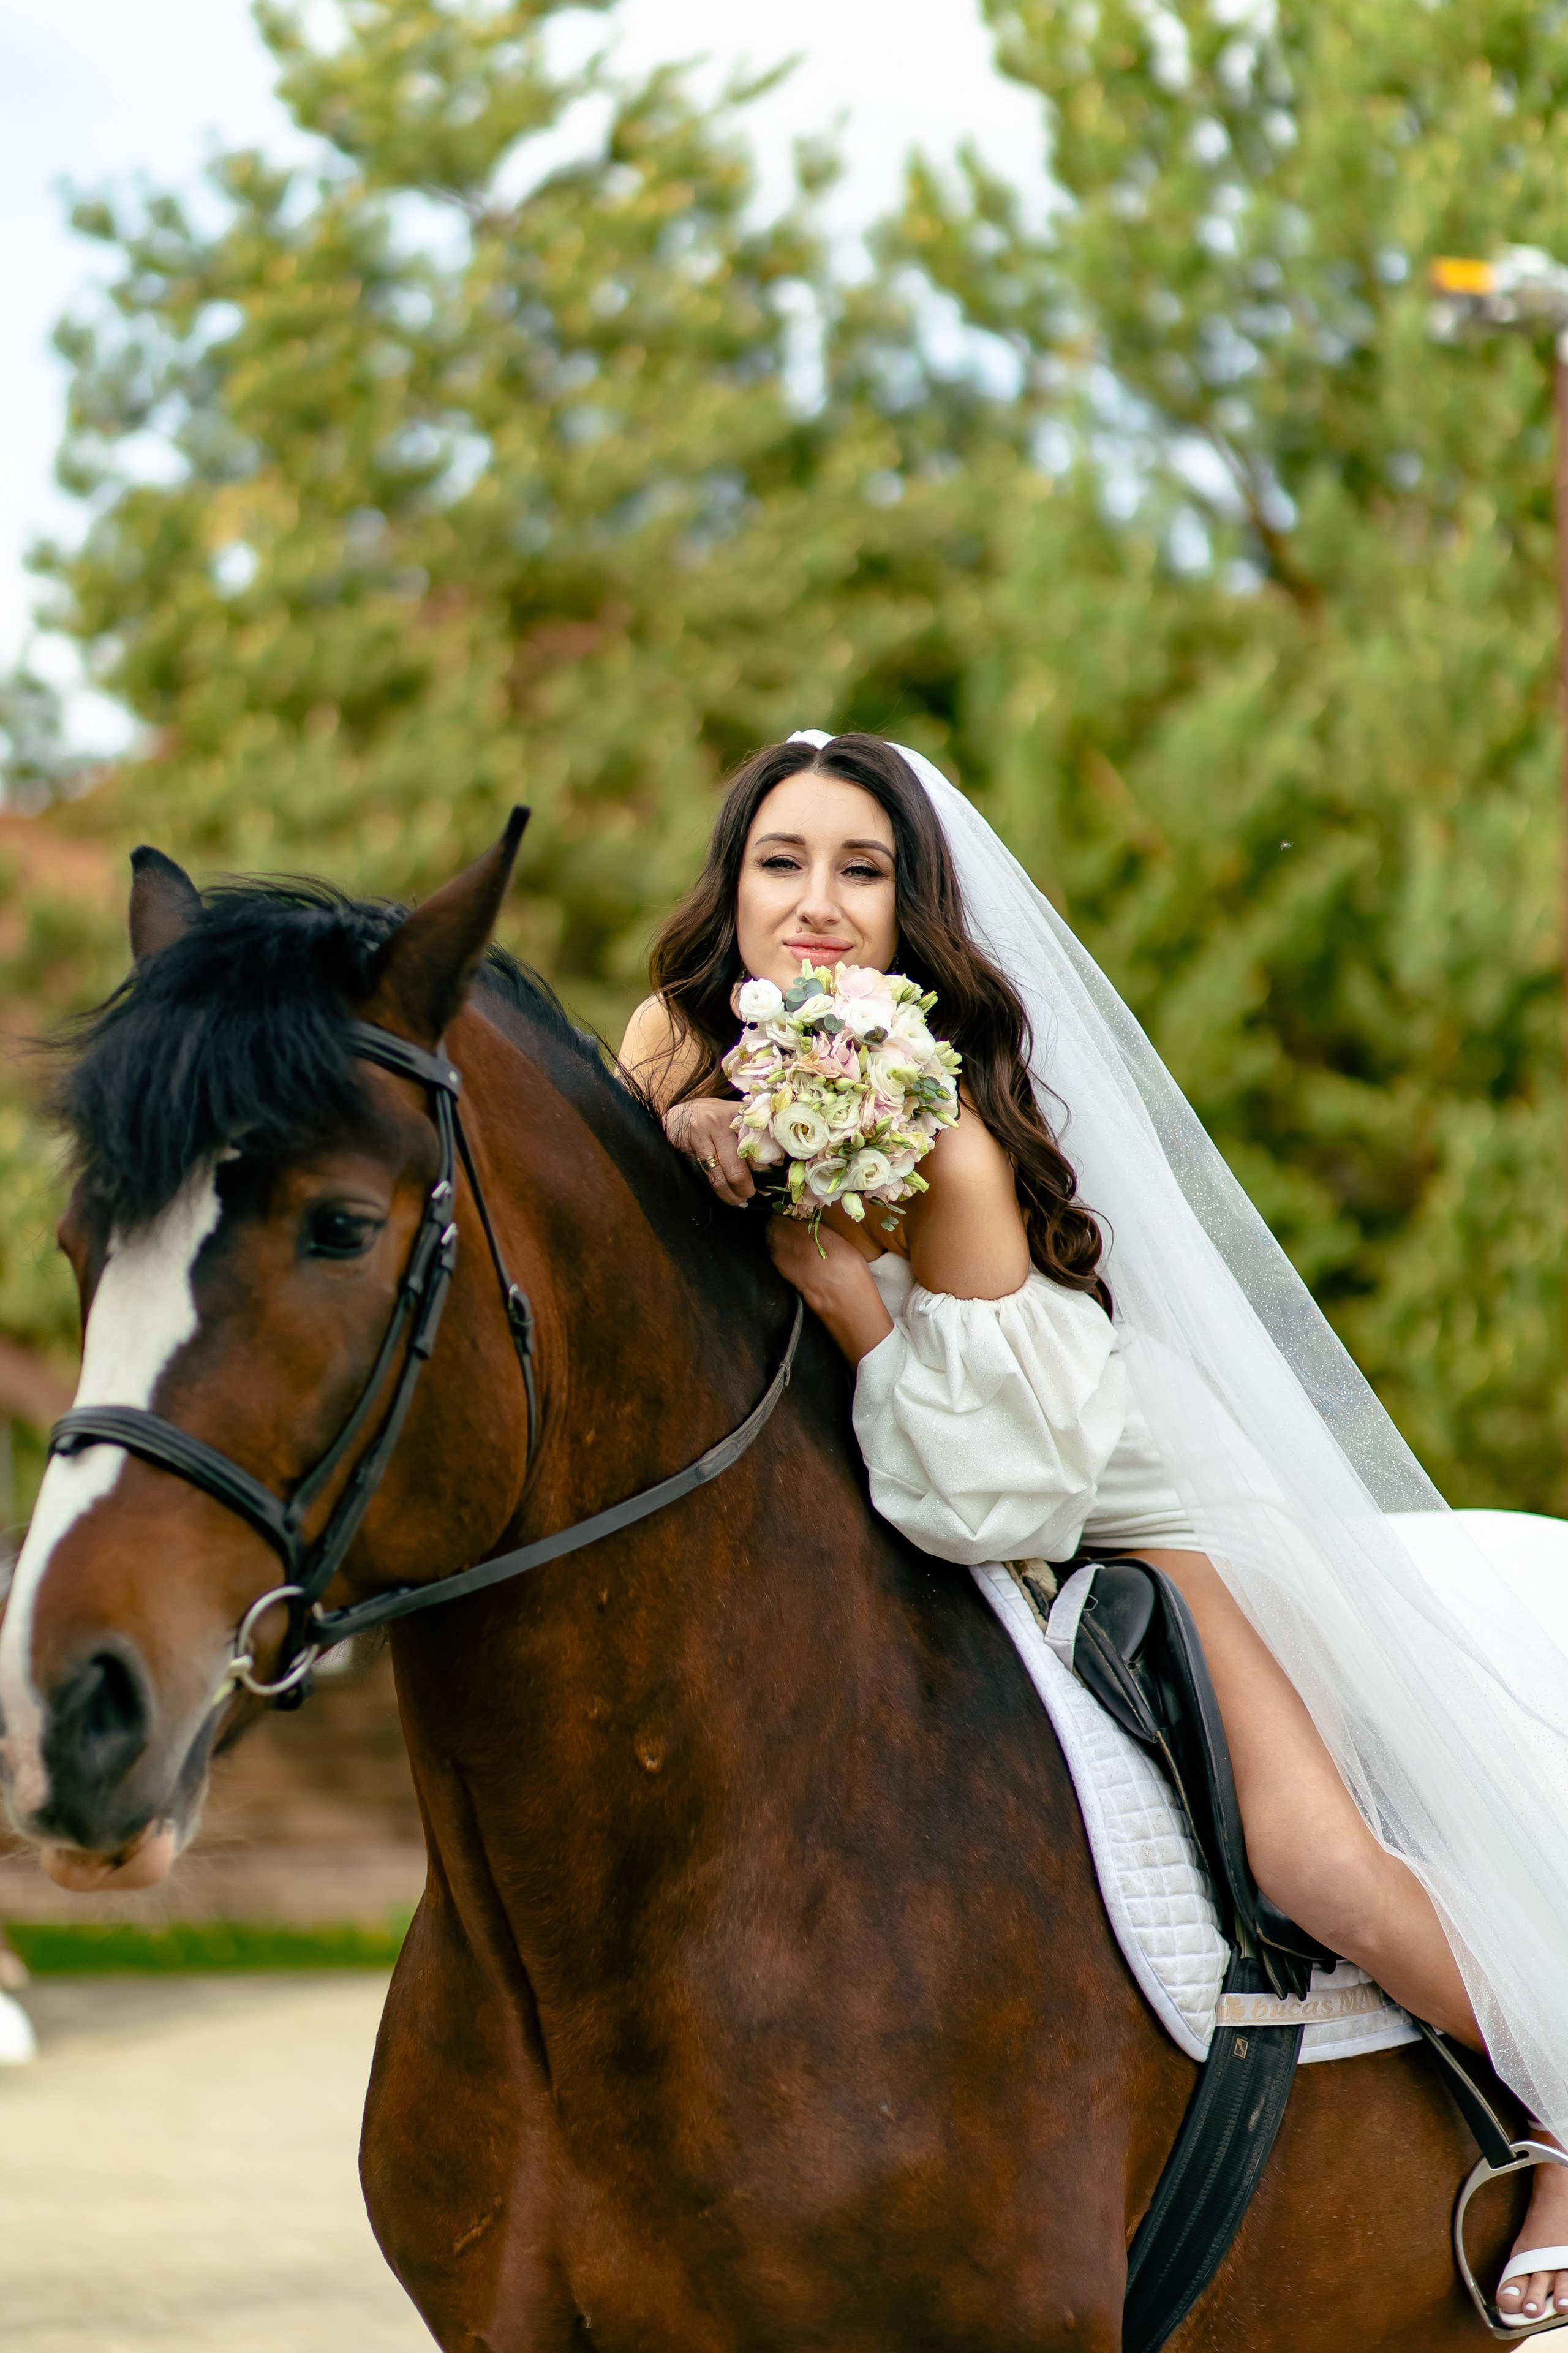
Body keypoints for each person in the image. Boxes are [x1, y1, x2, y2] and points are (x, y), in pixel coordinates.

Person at [622, 731, 1568, 2324]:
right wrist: (693, 1128)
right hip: (952, 1471)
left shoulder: (948, 1126)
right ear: (731, 884)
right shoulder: (672, 1034)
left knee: (1312, 1856)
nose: (820, 905)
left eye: (863, 868)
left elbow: (1000, 1485)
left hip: (1125, 1486)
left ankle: (1557, 2108)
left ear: (911, 902)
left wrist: (852, 1300)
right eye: (783, 862)